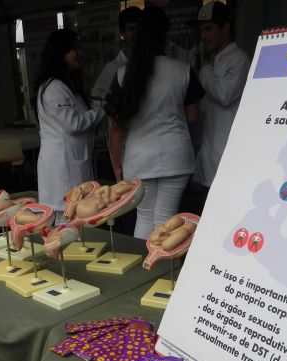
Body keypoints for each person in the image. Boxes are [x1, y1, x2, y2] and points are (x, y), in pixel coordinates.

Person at [106, 6, 204, 239]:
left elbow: (117, 127)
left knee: (144, 217)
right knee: (165, 219)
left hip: (138, 159)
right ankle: (162, 261)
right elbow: (193, 116)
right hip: (175, 156)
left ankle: (144, 260)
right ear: (165, 35)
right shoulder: (183, 70)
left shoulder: (122, 74)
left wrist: (117, 166)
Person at [34, 29, 106, 222]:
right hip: (62, 168)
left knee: (75, 217)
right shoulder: (54, 87)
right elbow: (74, 123)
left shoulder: (66, 86)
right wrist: (103, 110)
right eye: (74, 49)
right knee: (66, 221)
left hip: (71, 164)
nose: (79, 53)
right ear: (60, 53)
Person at [191, 1, 250, 211]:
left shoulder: (239, 59)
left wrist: (205, 71)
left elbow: (225, 95)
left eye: (209, 28)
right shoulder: (211, 60)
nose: (203, 36)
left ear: (225, 27)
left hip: (227, 153)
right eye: (201, 30)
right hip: (209, 151)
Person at [90, 6, 142, 103]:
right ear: (122, 33)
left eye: (140, 28)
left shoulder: (150, 62)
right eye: (131, 29)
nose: (137, 33)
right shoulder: (112, 68)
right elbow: (96, 100)